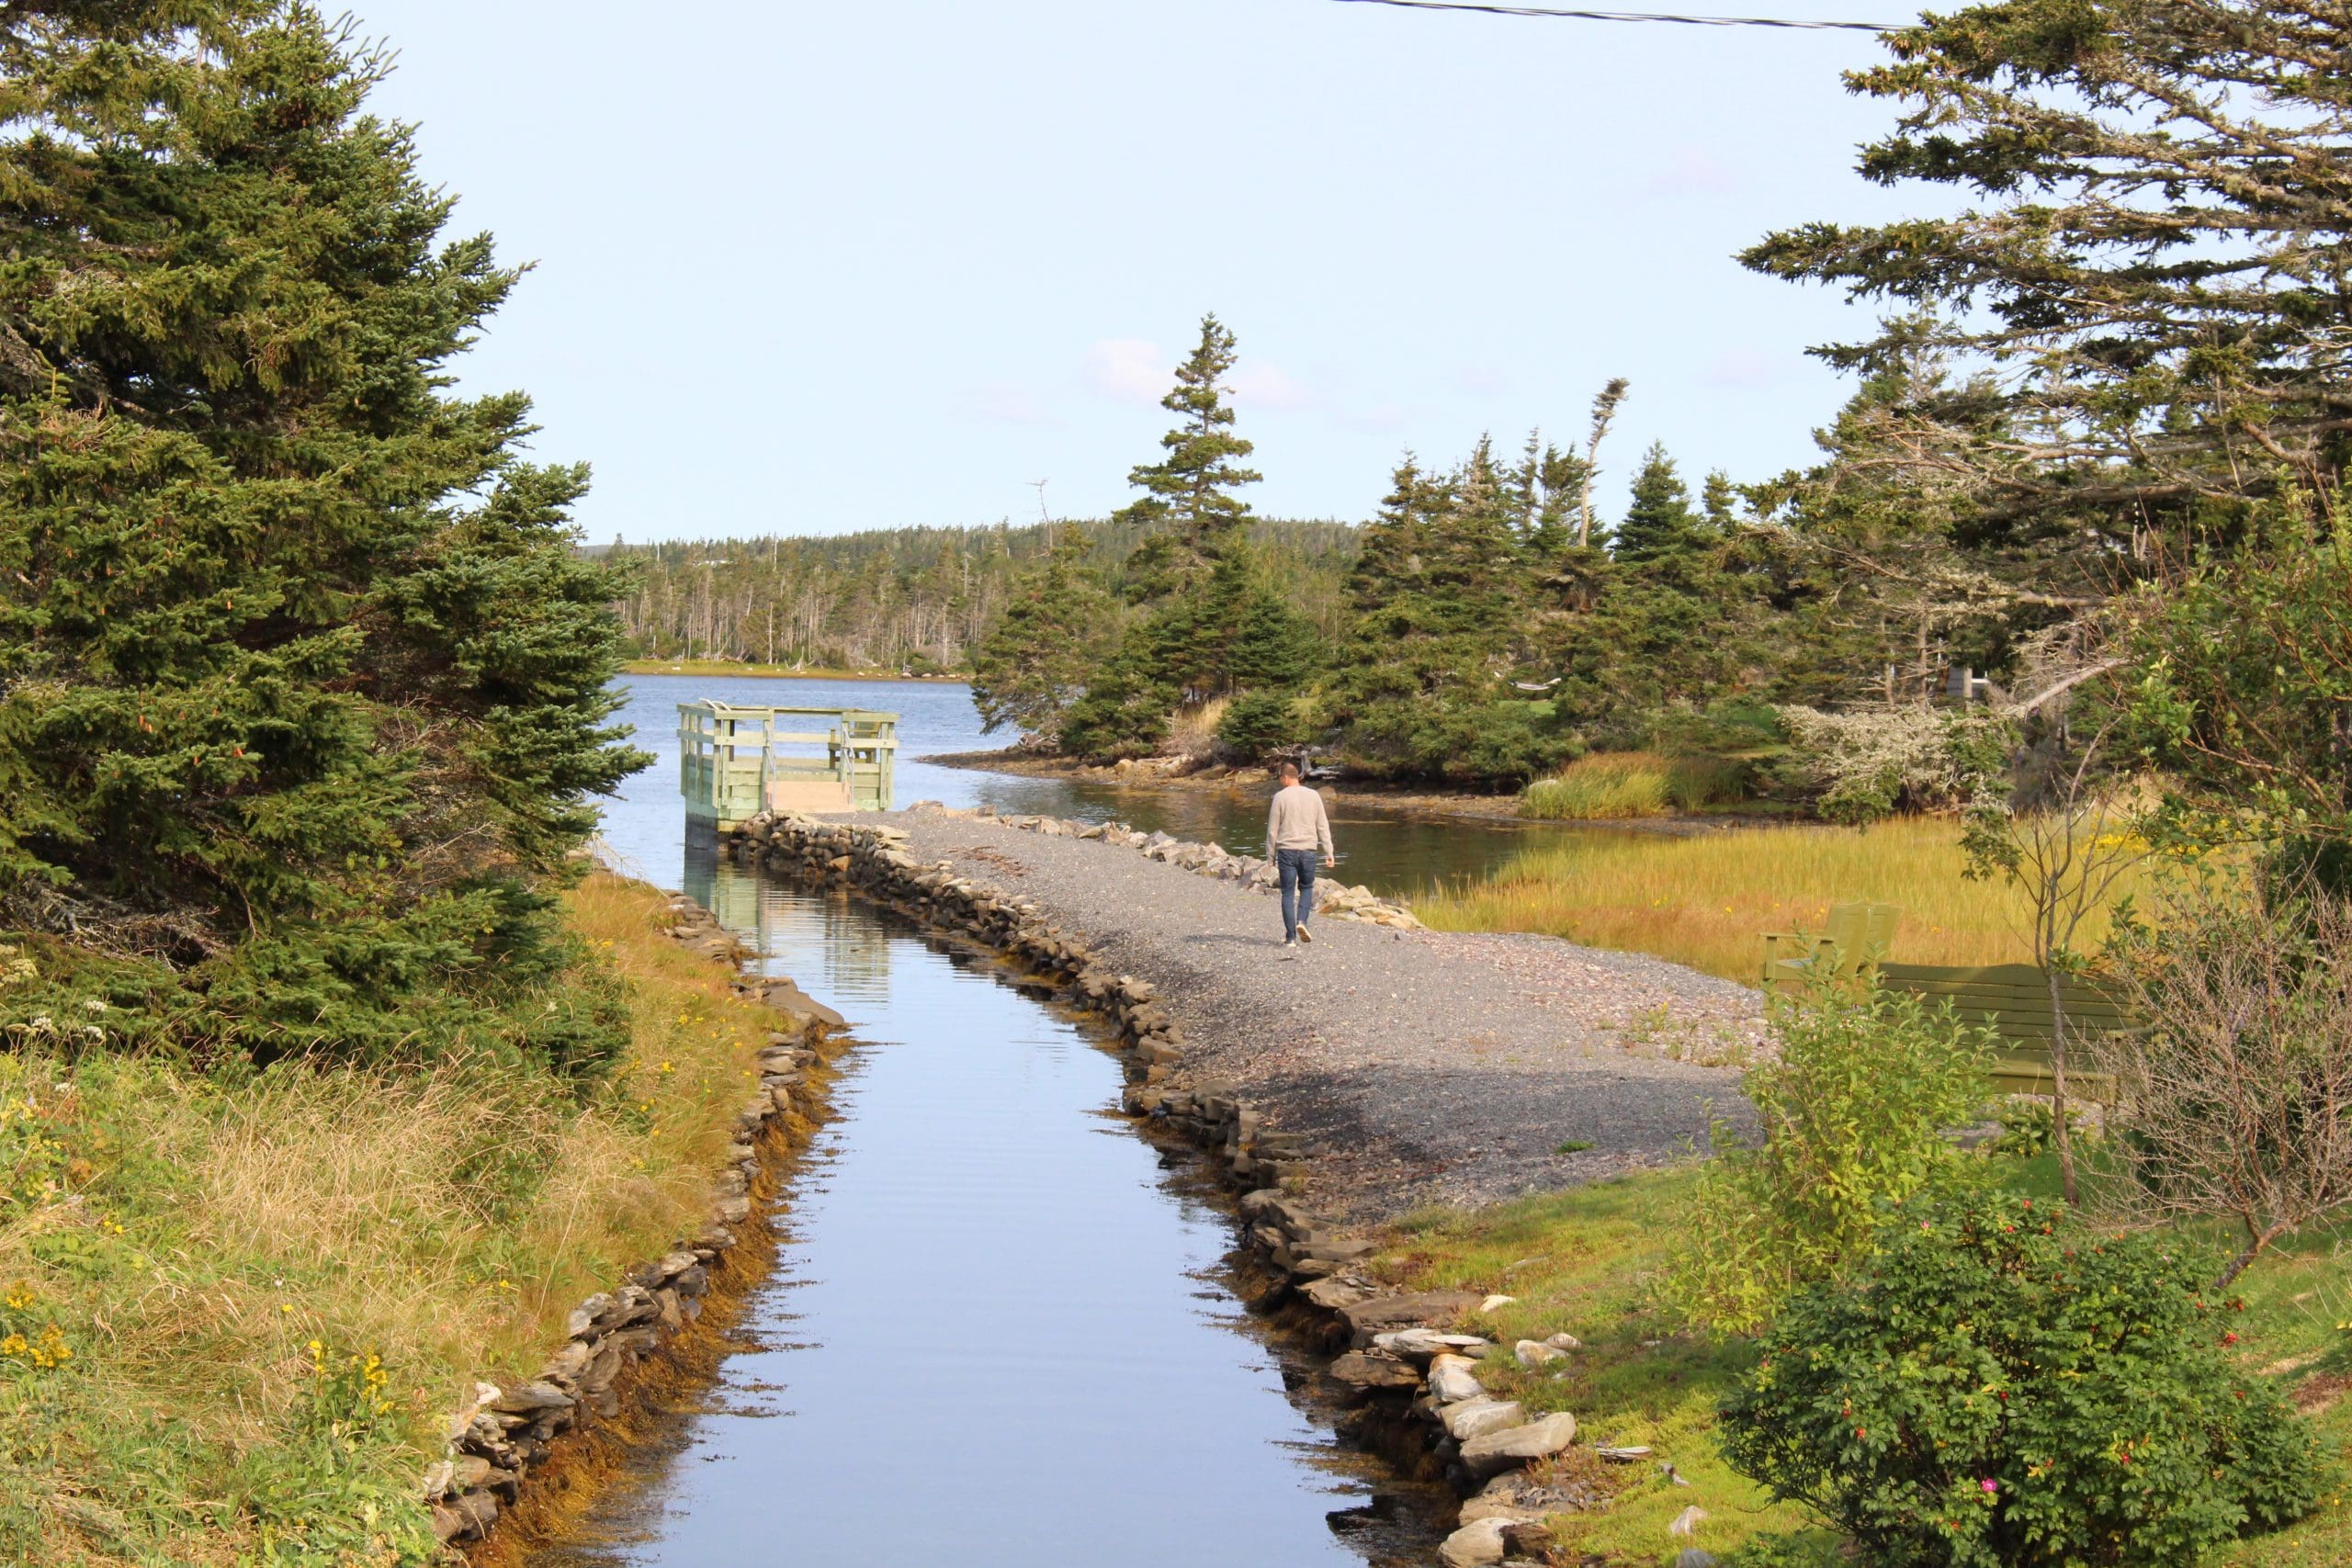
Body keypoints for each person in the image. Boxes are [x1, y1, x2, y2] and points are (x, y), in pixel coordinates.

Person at [1266, 760, 1335, 949]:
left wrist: (1270, 856)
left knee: (1287, 894)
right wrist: (1329, 851)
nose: (1281, 782)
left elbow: (1272, 830)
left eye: (1281, 778)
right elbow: (1322, 826)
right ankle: (1302, 922)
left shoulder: (1280, 797)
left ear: (1286, 778)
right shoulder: (1314, 796)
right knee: (1306, 888)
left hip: (1287, 851)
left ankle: (1290, 938)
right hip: (1308, 851)